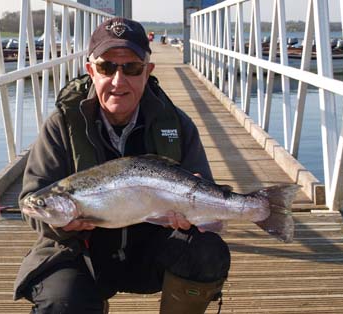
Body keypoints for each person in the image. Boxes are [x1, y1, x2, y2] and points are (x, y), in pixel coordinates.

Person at [14, 17, 231, 314]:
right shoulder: (61, 125)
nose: (118, 81)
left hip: (153, 251)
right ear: (91, 71)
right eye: (106, 67)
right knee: (60, 301)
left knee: (207, 251)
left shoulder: (178, 124)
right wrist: (56, 223)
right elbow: (33, 197)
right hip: (81, 252)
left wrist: (191, 214)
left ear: (147, 71)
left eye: (131, 68)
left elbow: (203, 187)